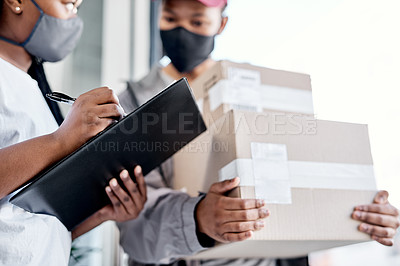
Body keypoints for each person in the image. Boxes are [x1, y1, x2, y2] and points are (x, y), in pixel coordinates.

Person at [117, 0, 400, 265]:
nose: (183, 31)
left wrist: (358, 210)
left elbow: (300, 171)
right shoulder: (133, 102)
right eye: (171, 18)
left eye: (197, 21)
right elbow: (133, 223)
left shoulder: (262, 87)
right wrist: (197, 218)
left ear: (221, 24)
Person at [0, 0, 147, 265]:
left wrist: (103, 212)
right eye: (67, 3)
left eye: (77, 6)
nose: (73, 15)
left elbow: (32, 224)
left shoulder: (35, 91)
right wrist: (60, 141)